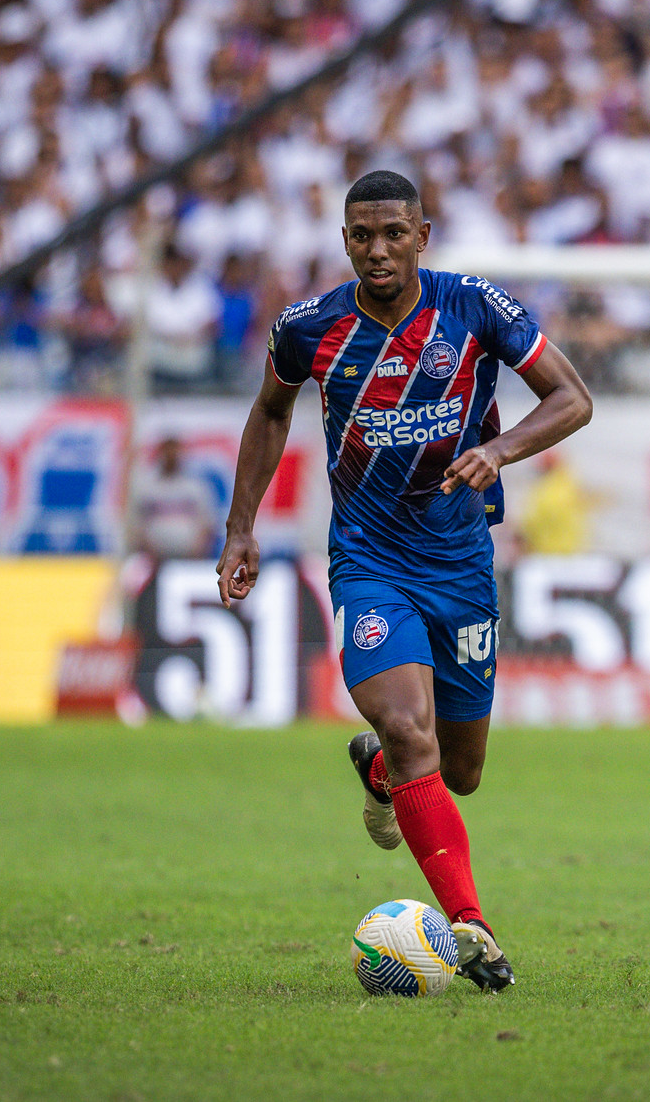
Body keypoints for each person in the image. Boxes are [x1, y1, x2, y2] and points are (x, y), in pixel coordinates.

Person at [216, 169, 592, 993]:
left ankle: (383, 774)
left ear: (422, 235)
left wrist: (499, 450)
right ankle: (473, 928)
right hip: (368, 561)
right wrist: (241, 526)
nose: (377, 249)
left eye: (393, 232)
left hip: (459, 563)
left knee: (456, 770)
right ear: (344, 240)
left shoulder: (473, 307)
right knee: (403, 721)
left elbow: (572, 397)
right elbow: (271, 411)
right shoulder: (307, 328)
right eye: (361, 235)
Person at [134, 436, 221, 560]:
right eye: (167, 452)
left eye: (174, 452)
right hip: (155, 560)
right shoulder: (148, 488)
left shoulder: (195, 488)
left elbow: (208, 524)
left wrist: (198, 551)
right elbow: (138, 525)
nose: (171, 456)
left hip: (190, 558)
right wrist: (149, 552)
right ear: (160, 455)